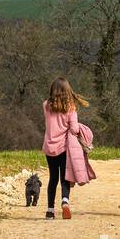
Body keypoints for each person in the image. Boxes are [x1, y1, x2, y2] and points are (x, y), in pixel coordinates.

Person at [42, 76, 93, 220]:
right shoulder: (70, 108)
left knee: (53, 178)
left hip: (49, 147)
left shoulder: (46, 105)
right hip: (64, 147)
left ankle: (50, 211)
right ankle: (65, 202)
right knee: (65, 177)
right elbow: (74, 129)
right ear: (67, 91)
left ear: (53, 90)